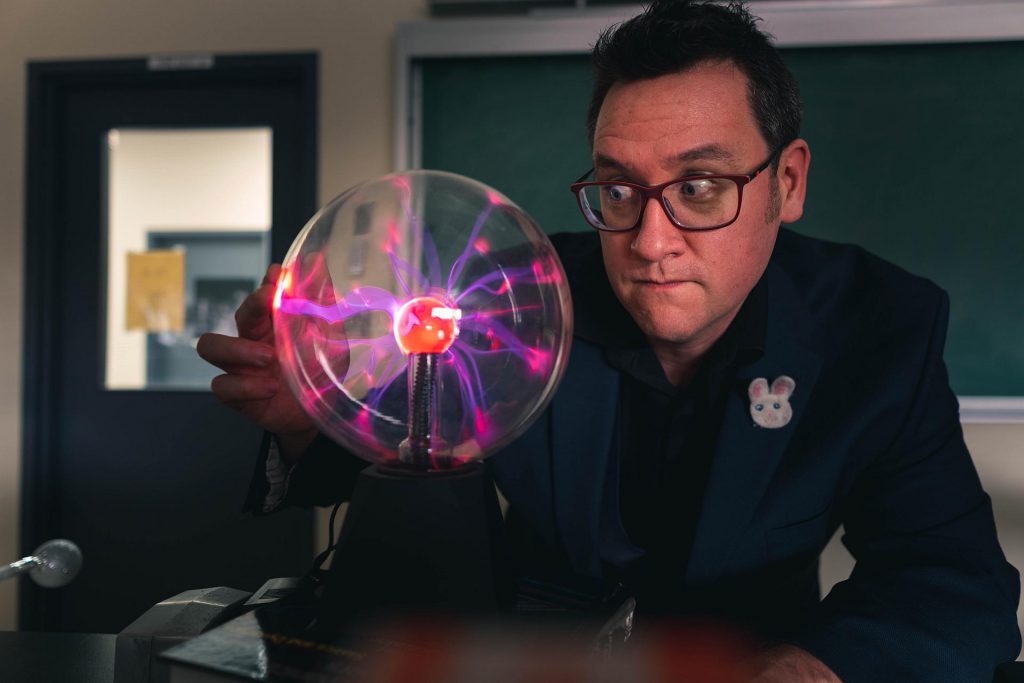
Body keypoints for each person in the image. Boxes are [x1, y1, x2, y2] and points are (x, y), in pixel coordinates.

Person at [197, 1, 1020, 680]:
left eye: (699, 188)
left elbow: (953, 582)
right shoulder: (512, 293)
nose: (651, 240)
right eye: (619, 189)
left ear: (789, 181)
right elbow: (401, 441)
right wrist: (307, 415)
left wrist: (814, 668)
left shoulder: (879, 329)